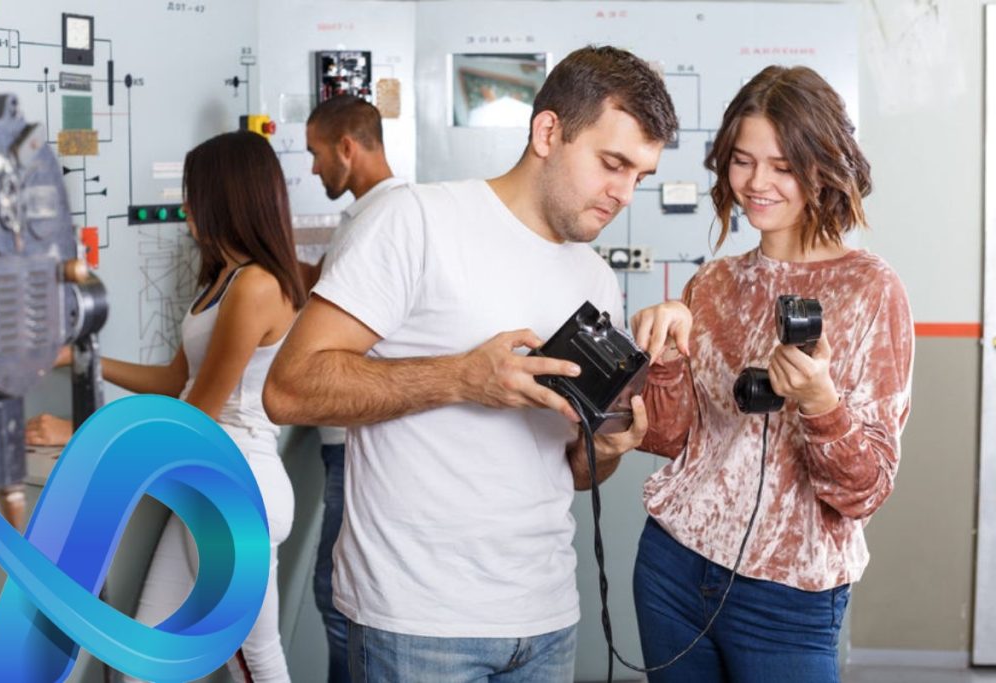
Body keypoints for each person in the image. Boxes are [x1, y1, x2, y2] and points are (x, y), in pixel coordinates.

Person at [262, 45, 677, 682]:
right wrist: (461, 377)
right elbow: (288, 389)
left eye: (641, 176)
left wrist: (611, 446)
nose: (624, 194)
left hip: (545, 617)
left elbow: (572, 472)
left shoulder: (595, 278)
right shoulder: (418, 221)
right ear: (548, 132)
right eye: (613, 164)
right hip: (417, 622)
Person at [620, 65, 914, 682]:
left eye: (782, 166)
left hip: (788, 594)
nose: (757, 183)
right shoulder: (715, 282)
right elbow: (669, 440)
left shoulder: (869, 288)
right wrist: (667, 360)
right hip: (673, 566)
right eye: (743, 161)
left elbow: (863, 490)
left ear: (821, 167)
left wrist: (819, 402)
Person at [72, 131, 302, 682]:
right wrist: (82, 358)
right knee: (144, 662)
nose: (185, 207)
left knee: (255, 661)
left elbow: (194, 414)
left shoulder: (256, 287)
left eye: (192, 192)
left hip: (237, 491)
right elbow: (179, 379)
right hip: (206, 487)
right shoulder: (225, 280)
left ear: (225, 196)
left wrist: (79, 436)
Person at [303, 94, 404, 683]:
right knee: (338, 597)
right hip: (340, 441)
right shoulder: (361, 218)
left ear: (347, 147)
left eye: (318, 154)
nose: (314, 168)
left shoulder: (388, 218)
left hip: (356, 443)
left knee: (341, 600)